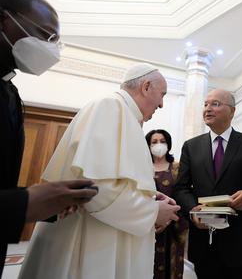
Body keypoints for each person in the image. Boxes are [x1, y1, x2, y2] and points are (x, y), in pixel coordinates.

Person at [18, 63, 181, 279]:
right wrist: (151, 212)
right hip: (89, 244)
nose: (161, 104)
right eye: (162, 95)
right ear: (146, 86)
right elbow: (94, 188)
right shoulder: (110, 107)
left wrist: (148, 197)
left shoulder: (126, 115)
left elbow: (116, 181)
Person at [0, 0, 98, 276]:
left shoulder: (10, 92)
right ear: (5, 19)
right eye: (46, 35)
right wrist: (24, 204)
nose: (52, 48)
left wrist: (43, 202)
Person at [174, 89, 242, 279]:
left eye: (215, 104)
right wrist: (193, 210)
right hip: (204, 245)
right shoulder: (191, 146)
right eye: (205, 104)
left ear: (232, 111)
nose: (207, 109)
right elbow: (181, 189)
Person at [145, 129, 189, 279]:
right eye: (154, 142)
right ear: (148, 146)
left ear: (168, 144)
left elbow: (184, 195)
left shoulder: (177, 168)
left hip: (173, 227)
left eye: (162, 141)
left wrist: (168, 219)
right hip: (147, 226)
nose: (159, 145)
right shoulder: (142, 167)